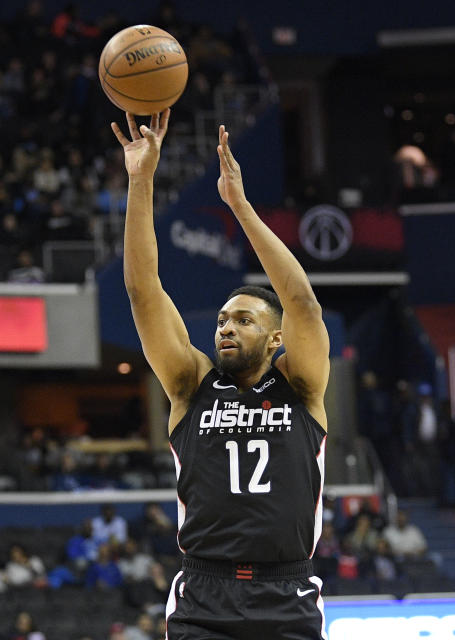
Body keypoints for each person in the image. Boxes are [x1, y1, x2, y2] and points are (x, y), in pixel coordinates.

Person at [113, 110, 330, 639]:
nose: (226, 328)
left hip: (288, 593)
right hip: (204, 597)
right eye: (221, 320)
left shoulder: (300, 387)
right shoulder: (191, 385)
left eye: (244, 319)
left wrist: (240, 206)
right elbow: (143, 292)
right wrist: (140, 182)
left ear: (276, 338)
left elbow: (300, 300)